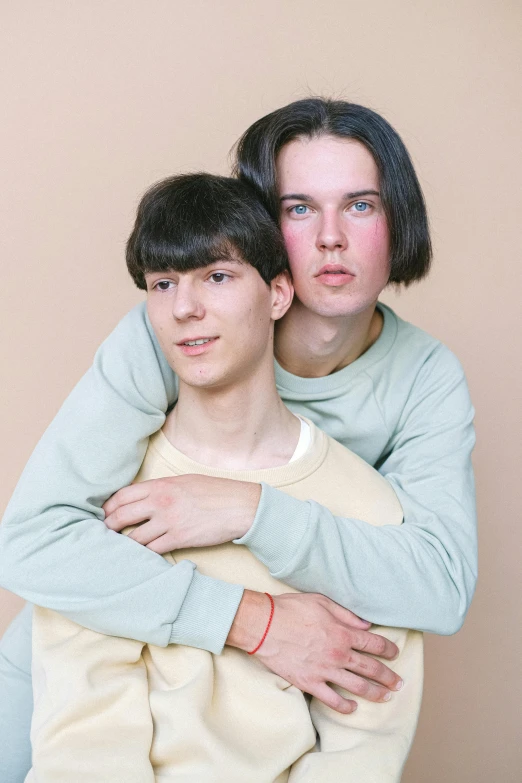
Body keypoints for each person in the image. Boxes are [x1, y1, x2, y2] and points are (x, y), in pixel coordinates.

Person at [0, 97, 476, 781]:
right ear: (261, 225)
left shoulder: (425, 377)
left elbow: (439, 586)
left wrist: (247, 507)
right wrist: (253, 620)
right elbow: (36, 539)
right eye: (300, 207)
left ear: (398, 218)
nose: (332, 235)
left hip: (255, 710)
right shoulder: (180, 330)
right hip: (91, 649)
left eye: (361, 205)